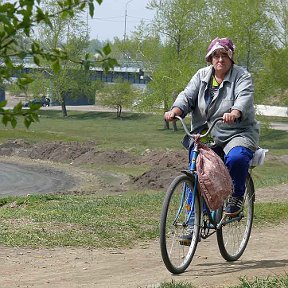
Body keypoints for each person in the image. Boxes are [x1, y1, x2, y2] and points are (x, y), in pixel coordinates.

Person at [164, 37, 260, 216]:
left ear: (231, 58)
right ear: (210, 58)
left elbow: (244, 98)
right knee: (198, 172)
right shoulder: (201, 76)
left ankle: (236, 197)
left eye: (225, 55)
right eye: (216, 56)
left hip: (237, 132)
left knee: (236, 158)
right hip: (206, 133)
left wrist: (235, 112)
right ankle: (195, 218)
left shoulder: (242, 76)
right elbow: (187, 96)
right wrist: (175, 111)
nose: (220, 60)